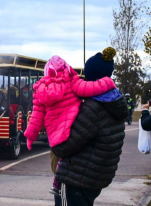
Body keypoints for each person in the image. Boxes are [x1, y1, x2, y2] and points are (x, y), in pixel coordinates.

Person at [24, 51, 117, 198]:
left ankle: (57, 183)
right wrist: (108, 82)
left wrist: (30, 136)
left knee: (58, 160)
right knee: (64, 159)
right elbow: (91, 88)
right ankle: (58, 183)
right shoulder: (72, 82)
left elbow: (36, 118)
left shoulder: (40, 91)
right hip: (71, 127)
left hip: (54, 134)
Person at [51, 48, 129, 206]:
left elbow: (65, 147)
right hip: (95, 177)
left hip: (77, 179)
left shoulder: (93, 107)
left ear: (90, 76)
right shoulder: (113, 101)